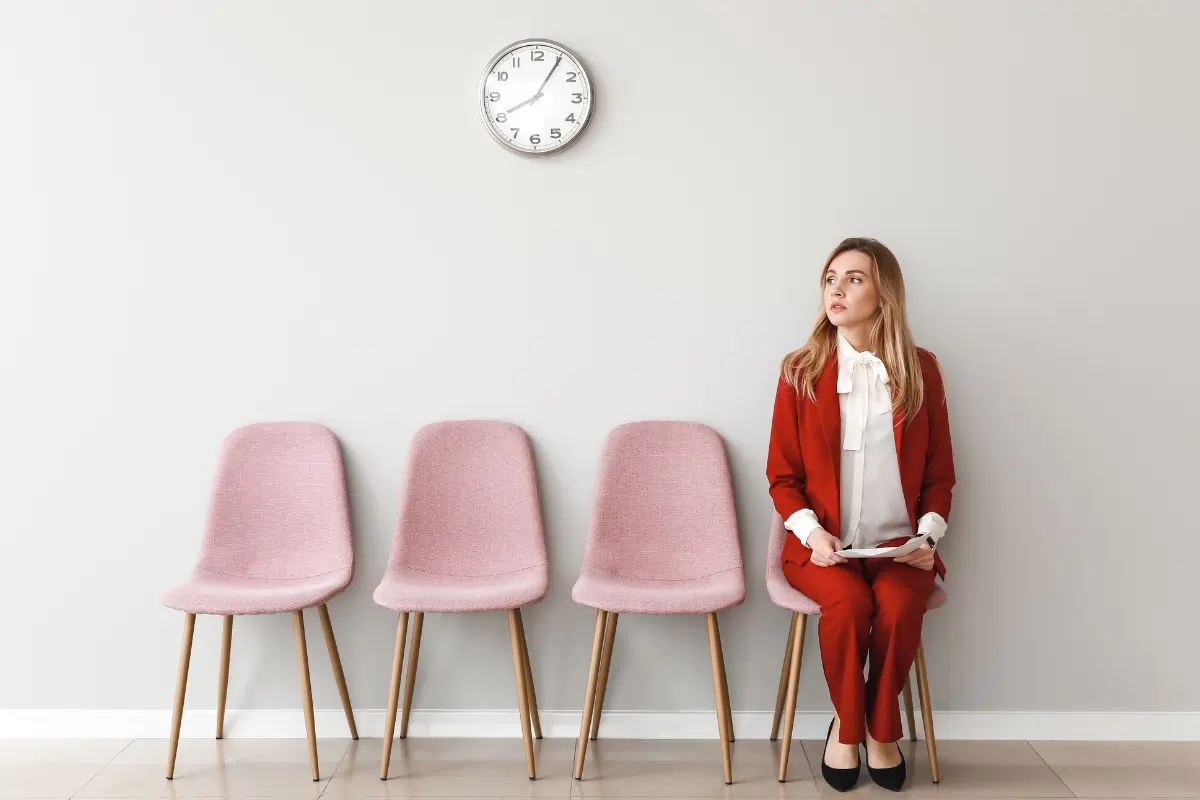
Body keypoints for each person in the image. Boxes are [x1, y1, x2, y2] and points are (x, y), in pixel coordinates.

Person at [766, 237, 955, 792]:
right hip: (823, 548)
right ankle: (855, 732)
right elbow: (782, 477)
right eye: (831, 278)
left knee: (896, 606)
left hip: (901, 549)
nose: (837, 289)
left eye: (854, 278)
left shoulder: (923, 371)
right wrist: (811, 533)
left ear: (884, 292)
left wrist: (929, 536)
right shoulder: (800, 371)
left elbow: (940, 474)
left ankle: (876, 730)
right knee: (847, 607)